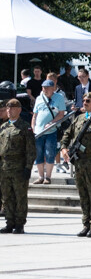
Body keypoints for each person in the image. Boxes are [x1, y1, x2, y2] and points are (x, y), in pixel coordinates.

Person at [58, 91, 91, 237]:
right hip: (79, 164)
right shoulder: (79, 119)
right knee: (83, 195)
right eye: (84, 100)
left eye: (88, 100)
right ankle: (85, 224)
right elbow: (67, 134)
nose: (85, 103)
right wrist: (64, 148)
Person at [0, 99, 36, 233]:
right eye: (8, 109)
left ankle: (19, 223)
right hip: (4, 168)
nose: (9, 111)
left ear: (19, 110)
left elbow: (31, 150)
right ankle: (9, 222)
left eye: (12, 108)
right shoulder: (3, 127)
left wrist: (28, 168)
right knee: (6, 196)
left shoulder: (25, 127)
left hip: (19, 167)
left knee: (20, 196)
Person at [31, 78, 66, 184]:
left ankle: (48, 177)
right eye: (43, 88)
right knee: (39, 154)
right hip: (38, 132)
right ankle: (41, 176)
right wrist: (33, 127)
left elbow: (61, 114)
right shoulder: (39, 98)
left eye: (47, 88)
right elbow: (35, 115)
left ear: (53, 89)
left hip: (51, 131)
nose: (45, 90)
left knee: (50, 153)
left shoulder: (59, 97)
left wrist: (52, 123)